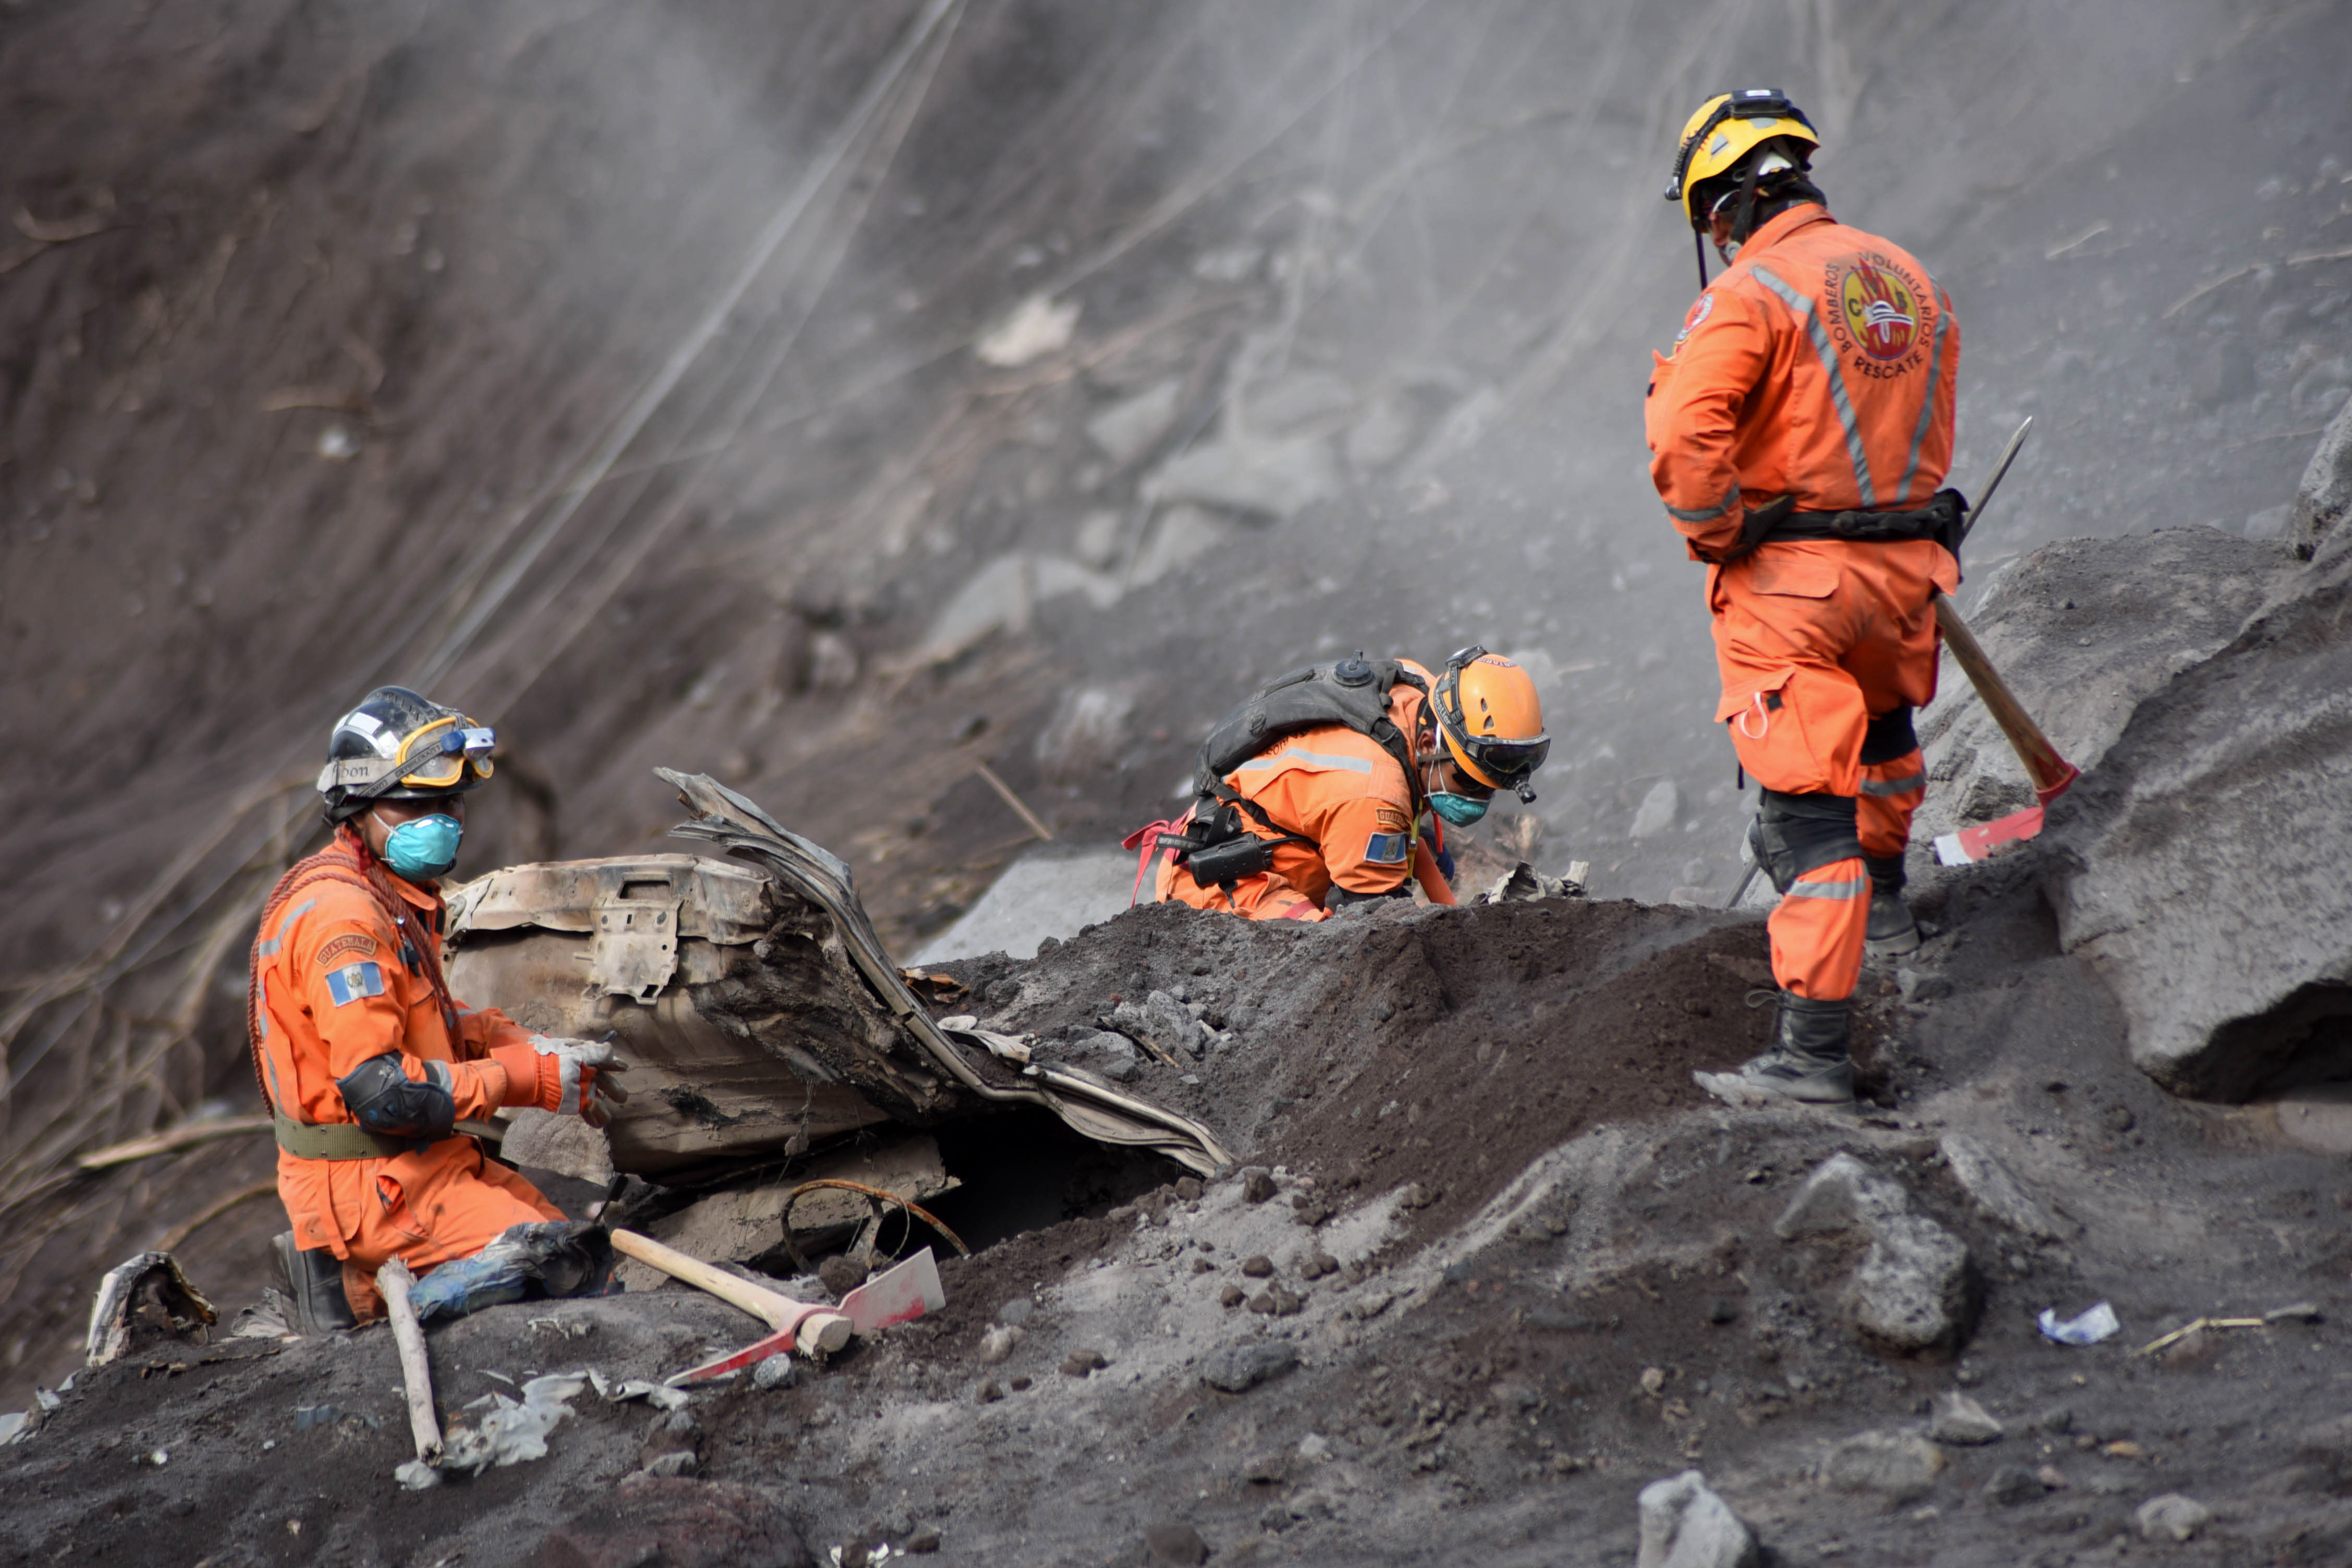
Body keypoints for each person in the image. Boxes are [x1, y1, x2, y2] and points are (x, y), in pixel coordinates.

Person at [1646, 89, 1963, 1104]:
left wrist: (1718, 532)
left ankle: (1813, 1058)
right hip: (1907, 576)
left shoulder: (1749, 291)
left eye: (1709, 219)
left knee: (1801, 825)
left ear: (1725, 201)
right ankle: (1894, 911)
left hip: (1795, 588)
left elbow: (1684, 436)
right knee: (1883, 742)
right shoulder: (1908, 277)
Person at [249, 687, 623, 1331]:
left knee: (573, 1248)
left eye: (449, 801)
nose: (443, 817)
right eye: (417, 803)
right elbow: (385, 1093)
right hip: (372, 1186)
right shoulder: (344, 922)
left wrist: (527, 1043)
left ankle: (352, 1287)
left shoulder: (388, 893)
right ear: (360, 808)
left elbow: (428, 1025)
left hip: (422, 1162)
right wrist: (525, 1079)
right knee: (569, 1273)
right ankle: (360, 1280)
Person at [1137, 648, 1549, 922]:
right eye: (1468, 782)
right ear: (1429, 742)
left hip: (1277, 830)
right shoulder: (1374, 793)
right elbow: (1371, 927)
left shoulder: (1423, 694)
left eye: (1488, 788)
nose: (1478, 800)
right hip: (1219, 883)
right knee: (1325, 951)